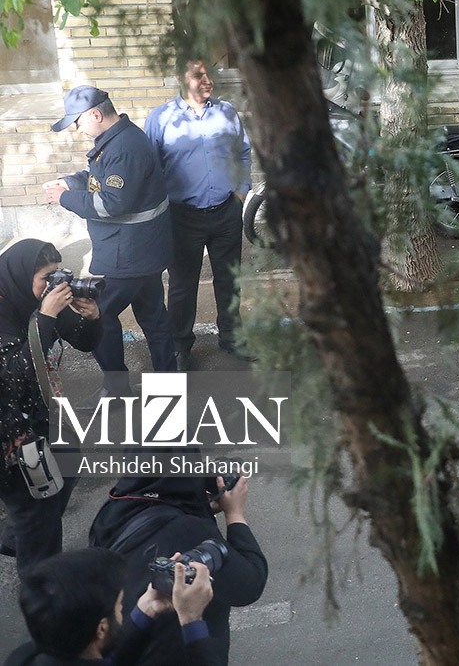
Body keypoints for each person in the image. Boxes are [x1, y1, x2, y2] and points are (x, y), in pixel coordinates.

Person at [45, 85, 177, 393]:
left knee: (96, 314)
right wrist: (70, 181)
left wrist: (65, 198)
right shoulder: (118, 139)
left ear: (95, 114)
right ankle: (168, 382)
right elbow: (99, 178)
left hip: (128, 255)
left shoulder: (124, 148)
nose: (77, 130)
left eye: (78, 122)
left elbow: (112, 203)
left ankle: (117, 389)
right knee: (154, 318)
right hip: (143, 251)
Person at [87, 473, 268, 666]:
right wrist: (234, 514)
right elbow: (249, 585)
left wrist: (200, 506)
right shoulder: (191, 529)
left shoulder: (111, 511)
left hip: (127, 645)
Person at [0, 240, 101, 576]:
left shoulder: (36, 300)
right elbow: (13, 375)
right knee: (38, 504)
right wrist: (45, 317)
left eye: (57, 274)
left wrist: (92, 317)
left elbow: (84, 341)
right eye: (47, 278)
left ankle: (19, 535)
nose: (53, 285)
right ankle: (41, 585)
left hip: (38, 410)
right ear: (20, 277)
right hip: (8, 427)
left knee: (68, 459)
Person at [144, 60, 253, 369]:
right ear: (182, 79)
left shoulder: (226, 112)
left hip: (226, 212)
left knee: (229, 280)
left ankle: (232, 338)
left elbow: (242, 153)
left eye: (210, 75)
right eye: (198, 75)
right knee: (182, 285)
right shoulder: (161, 118)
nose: (208, 81)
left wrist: (241, 192)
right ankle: (180, 346)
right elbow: (150, 167)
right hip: (182, 217)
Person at [5, 547, 219, 666]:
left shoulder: (23, 657)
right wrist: (192, 619)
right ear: (101, 628)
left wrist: (148, 609)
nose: (122, 608)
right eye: (119, 605)